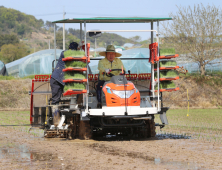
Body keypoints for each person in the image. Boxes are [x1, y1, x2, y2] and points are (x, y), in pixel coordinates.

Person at [50, 42, 78, 125]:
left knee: (62, 98)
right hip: (56, 80)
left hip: (62, 80)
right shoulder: (64, 53)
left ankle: (65, 118)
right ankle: (56, 121)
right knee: (55, 100)